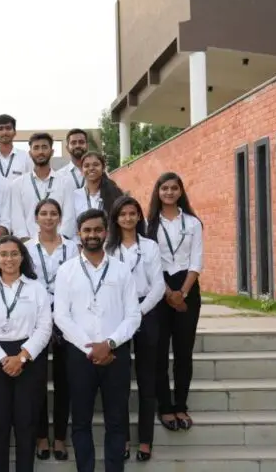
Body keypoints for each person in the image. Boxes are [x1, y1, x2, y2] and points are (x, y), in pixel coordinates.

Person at [54, 208, 141, 472]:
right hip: (80, 356)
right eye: (87, 230)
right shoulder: (66, 271)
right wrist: (90, 348)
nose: (92, 235)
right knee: (80, 421)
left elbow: (134, 315)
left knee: (116, 421)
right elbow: (61, 316)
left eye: (97, 230)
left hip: (116, 355)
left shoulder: (121, 270)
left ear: (106, 232)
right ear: (78, 234)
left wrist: (109, 344)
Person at [0, 235, 52, 472]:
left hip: (28, 358)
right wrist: (3, 359)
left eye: (14, 254)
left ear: (22, 257)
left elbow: (44, 326)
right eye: (4, 254)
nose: (9, 259)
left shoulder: (36, 288)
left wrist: (22, 357)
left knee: (27, 423)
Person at [106, 196, 165, 462]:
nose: (128, 218)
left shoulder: (150, 247)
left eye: (133, 213)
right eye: (123, 214)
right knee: (119, 383)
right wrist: (127, 317)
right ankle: (123, 439)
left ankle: (145, 440)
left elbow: (159, 286)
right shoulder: (108, 249)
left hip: (146, 310)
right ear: (115, 218)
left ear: (139, 217)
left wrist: (137, 314)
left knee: (146, 379)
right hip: (116, 313)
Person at [146, 172, 203, 432]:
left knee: (183, 352)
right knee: (158, 354)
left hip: (188, 287)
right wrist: (168, 293)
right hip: (160, 288)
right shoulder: (149, 225)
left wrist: (183, 292)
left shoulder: (192, 223)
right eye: (164, 188)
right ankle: (165, 407)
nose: (169, 192)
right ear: (158, 192)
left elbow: (196, 261)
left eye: (173, 188)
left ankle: (181, 405)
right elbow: (150, 263)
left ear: (180, 191)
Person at [25, 198, 78, 461]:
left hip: (66, 317)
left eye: (53, 213)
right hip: (35, 317)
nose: (48, 218)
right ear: (36, 218)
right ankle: (41, 436)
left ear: (60, 218)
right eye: (43, 213)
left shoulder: (73, 248)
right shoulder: (25, 249)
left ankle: (59, 437)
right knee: (36, 380)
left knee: (63, 379)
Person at [10, 133, 75, 241]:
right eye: (36, 148)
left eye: (44, 147)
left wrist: (59, 241)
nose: (40, 152)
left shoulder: (65, 182)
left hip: (59, 244)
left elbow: (69, 216)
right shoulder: (18, 184)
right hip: (28, 245)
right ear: (30, 153)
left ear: (52, 152)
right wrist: (27, 242)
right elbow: (17, 218)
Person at [0, 114, 32, 182]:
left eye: (8, 128)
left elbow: (31, 182)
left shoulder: (26, 157)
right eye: (0, 129)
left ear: (15, 132)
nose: (5, 132)